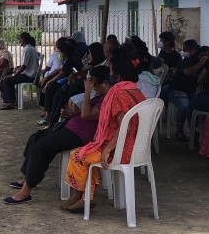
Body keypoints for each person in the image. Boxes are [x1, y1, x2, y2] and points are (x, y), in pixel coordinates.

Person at [3, 65, 111, 205]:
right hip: (70, 127)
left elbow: (87, 114)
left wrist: (87, 91)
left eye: (94, 84)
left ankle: (25, 192)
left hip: (79, 135)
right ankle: (29, 178)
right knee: (36, 138)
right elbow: (83, 114)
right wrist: (71, 114)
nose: (94, 88)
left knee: (41, 148)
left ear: (105, 83)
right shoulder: (99, 96)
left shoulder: (107, 100)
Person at [61, 48, 147, 212]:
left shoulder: (119, 94)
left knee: (78, 155)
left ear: (116, 71)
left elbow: (125, 126)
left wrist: (107, 149)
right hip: (135, 147)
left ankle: (78, 196)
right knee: (86, 154)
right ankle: (85, 196)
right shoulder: (135, 90)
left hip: (119, 149)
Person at [166, 43, 209, 141]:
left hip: (191, 92)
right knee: (185, 107)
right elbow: (187, 72)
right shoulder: (187, 61)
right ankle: (179, 131)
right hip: (177, 90)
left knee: (195, 107)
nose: (206, 58)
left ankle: (195, 131)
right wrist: (200, 63)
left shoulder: (207, 65)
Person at [39, 40, 83, 125]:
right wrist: (47, 78)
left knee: (50, 86)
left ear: (64, 53)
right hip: (69, 81)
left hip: (73, 84)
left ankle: (50, 115)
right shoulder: (69, 59)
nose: (58, 54)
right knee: (49, 83)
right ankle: (48, 112)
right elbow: (59, 70)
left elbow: (60, 75)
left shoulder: (70, 61)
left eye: (59, 52)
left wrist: (48, 82)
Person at [0, 33, 39, 110]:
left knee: (7, 80)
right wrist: (18, 67)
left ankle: (9, 102)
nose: (19, 40)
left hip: (29, 76)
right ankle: (11, 100)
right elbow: (26, 64)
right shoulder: (30, 48)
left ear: (23, 40)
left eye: (20, 39)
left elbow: (24, 66)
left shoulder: (27, 50)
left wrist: (14, 75)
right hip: (32, 75)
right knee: (7, 78)